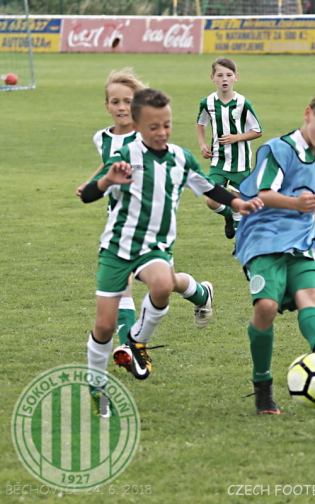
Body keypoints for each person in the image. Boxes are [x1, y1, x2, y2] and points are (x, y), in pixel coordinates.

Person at [81, 88, 263, 417]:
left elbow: (209, 187)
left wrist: (238, 202)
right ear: (137, 125)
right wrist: (107, 180)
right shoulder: (125, 155)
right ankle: (97, 384)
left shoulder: (180, 157)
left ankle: (137, 341)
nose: (162, 132)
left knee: (163, 285)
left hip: (155, 247)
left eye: (167, 124)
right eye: (154, 127)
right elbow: (88, 196)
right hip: (118, 248)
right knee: (105, 327)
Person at [235, 88, 315, 415]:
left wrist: (309, 212)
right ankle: (262, 385)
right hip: (263, 237)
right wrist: (297, 204)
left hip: (302, 238)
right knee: (265, 307)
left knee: (309, 294)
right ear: (308, 114)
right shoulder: (277, 149)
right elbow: (265, 193)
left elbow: (306, 199)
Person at [76, 68, 146, 373]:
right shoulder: (101, 137)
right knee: (127, 283)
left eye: (127, 101)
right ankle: (130, 348)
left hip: (147, 221)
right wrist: (90, 182)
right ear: (107, 106)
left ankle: (197, 291)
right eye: (115, 101)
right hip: (115, 222)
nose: (121, 107)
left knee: (154, 282)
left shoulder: (146, 136)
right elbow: (108, 163)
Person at [196, 57, 263, 239]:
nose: (224, 79)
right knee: (211, 199)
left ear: (236, 77)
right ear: (212, 78)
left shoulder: (242, 103)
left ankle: (239, 245)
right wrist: (202, 143)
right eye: (220, 75)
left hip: (240, 162)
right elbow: (200, 123)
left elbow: (257, 130)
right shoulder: (207, 103)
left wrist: (237, 137)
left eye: (228, 75)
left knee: (237, 203)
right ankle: (229, 217)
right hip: (218, 160)